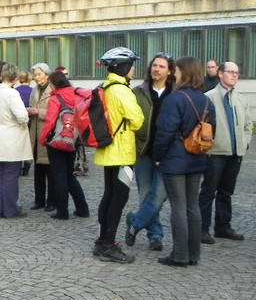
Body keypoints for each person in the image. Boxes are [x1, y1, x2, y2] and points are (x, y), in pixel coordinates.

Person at [152, 57, 216, 267]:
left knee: (178, 207)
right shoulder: (206, 100)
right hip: (197, 157)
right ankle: (193, 253)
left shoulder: (174, 99)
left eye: (177, 70)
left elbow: (165, 132)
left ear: (184, 72)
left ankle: (179, 255)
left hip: (175, 159)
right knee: (192, 206)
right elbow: (211, 129)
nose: (175, 74)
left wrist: (158, 157)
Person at [91, 47, 144, 262]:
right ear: (123, 67)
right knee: (119, 198)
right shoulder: (122, 91)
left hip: (107, 150)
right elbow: (138, 120)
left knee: (109, 195)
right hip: (122, 153)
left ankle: (102, 240)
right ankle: (109, 245)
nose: (133, 70)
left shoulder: (105, 86)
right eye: (131, 65)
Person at [125, 52, 175, 251]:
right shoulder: (139, 91)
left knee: (159, 196)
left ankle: (135, 221)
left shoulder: (175, 93)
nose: (157, 69)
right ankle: (155, 235)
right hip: (144, 151)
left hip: (167, 153)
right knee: (146, 195)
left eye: (162, 66)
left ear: (169, 71)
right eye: (155, 65)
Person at [199, 61, 253, 243]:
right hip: (215, 152)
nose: (234, 75)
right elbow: (202, 125)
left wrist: (244, 143)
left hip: (235, 153)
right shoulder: (209, 97)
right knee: (208, 191)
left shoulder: (241, 99)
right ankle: (202, 228)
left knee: (226, 192)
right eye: (230, 72)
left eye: (237, 73)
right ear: (220, 74)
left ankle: (223, 226)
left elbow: (248, 125)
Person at [38, 70, 90, 220]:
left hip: (57, 141)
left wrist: (43, 139)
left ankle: (62, 211)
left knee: (59, 176)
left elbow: (50, 122)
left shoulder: (55, 99)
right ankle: (82, 208)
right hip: (73, 140)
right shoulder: (76, 95)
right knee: (69, 175)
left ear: (54, 84)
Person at [0, 63, 32, 218]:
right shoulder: (12, 94)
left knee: (0, 174)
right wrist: (24, 121)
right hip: (12, 137)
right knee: (11, 175)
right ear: (15, 77)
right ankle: (10, 208)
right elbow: (22, 116)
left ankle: (0, 207)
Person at [26, 63, 55, 211]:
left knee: (50, 170)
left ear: (47, 75)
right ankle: (39, 200)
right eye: (35, 75)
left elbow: (56, 112)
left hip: (48, 133)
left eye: (39, 74)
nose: (36, 77)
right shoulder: (34, 90)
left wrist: (38, 112)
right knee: (38, 170)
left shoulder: (53, 90)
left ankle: (52, 201)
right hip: (35, 133)